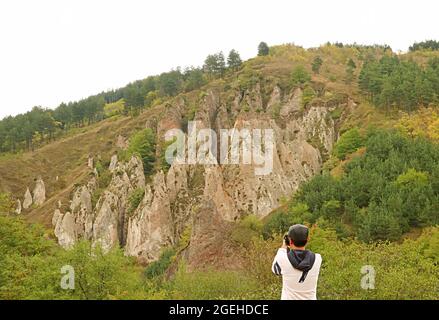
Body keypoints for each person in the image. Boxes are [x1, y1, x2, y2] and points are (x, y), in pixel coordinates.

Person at [271, 224, 322, 300]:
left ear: (290, 241)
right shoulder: (317, 259)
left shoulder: (283, 258)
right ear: (307, 239)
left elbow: (275, 271)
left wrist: (283, 247)